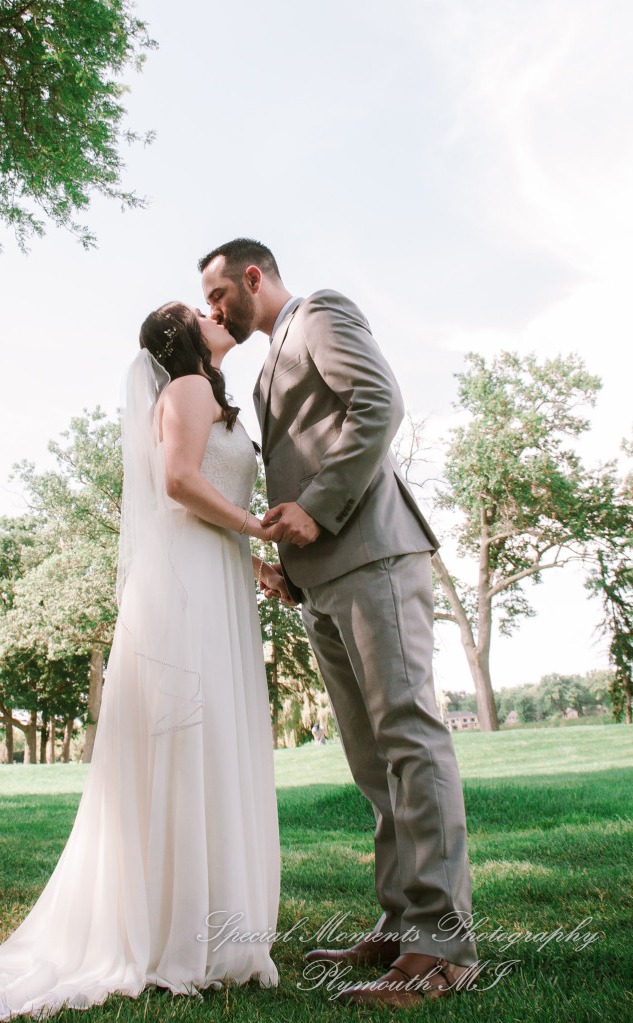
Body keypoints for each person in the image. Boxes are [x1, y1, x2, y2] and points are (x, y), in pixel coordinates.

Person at [0, 302, 284, 1019]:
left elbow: (198, 490)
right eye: (197, 312)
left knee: (203, 740)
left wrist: (254, 556)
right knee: (187, 740)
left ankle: (201, 920)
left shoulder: (201, 393)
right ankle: (179, 930)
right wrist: (254, 527)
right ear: (182, 341)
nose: (215, 315)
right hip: (189, 579)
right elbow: (178, 482)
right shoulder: (190, 389)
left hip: (212, 570)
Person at [199, 239, 478, 1009]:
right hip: (319, 581)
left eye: (220, 294)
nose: (214, 311)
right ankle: (399, 924)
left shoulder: (319, 314)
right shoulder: (266, 363)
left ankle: (443, 946)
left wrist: (316, 510)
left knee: (409, 740)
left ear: (253, 277)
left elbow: (378, 403)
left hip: (375, 558)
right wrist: (285, 562)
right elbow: (303, 460)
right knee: (371, 760)